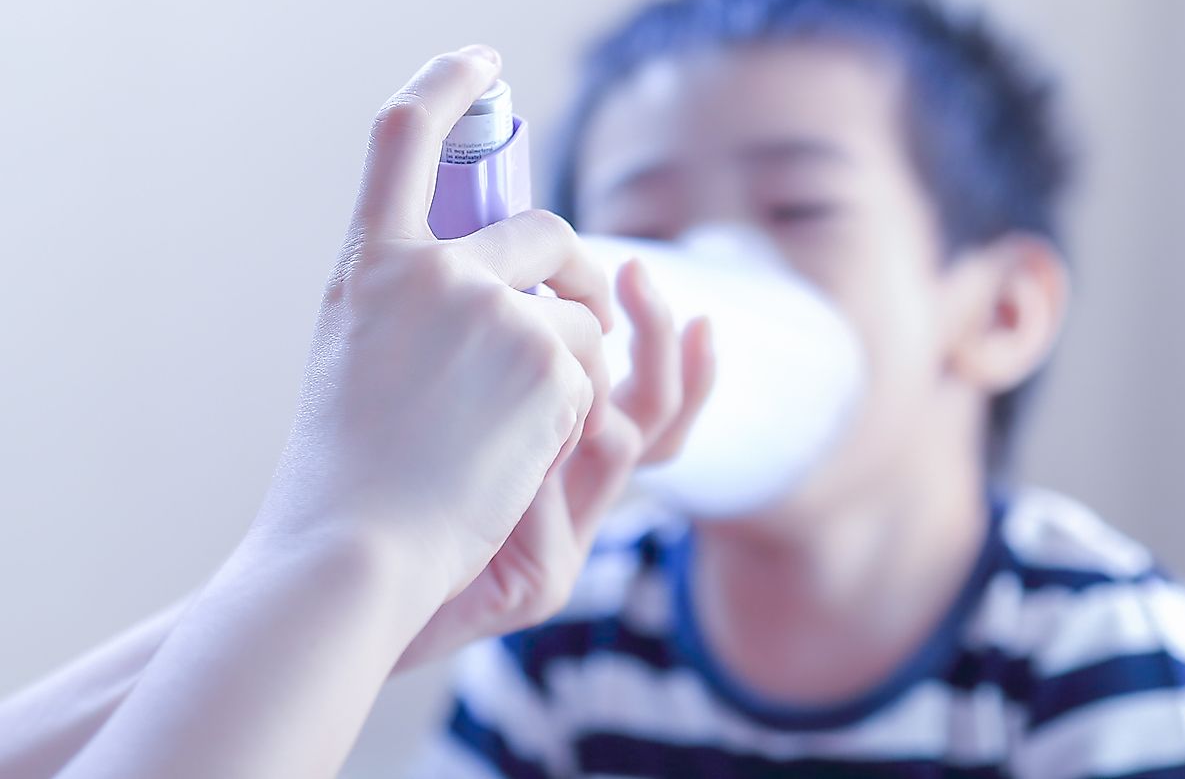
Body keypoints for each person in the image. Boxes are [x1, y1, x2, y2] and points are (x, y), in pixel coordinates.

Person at [412, 0, 1185, 777]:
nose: (700, 274)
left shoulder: (1090, 642)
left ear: (1002, 313)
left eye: (799, 211)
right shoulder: (565, 625)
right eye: (642, 232)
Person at [0, 45, 714, 779]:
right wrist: (364, 555)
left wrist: (364, 590)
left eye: (802, 206)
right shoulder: (571, 658)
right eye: (651, 234)